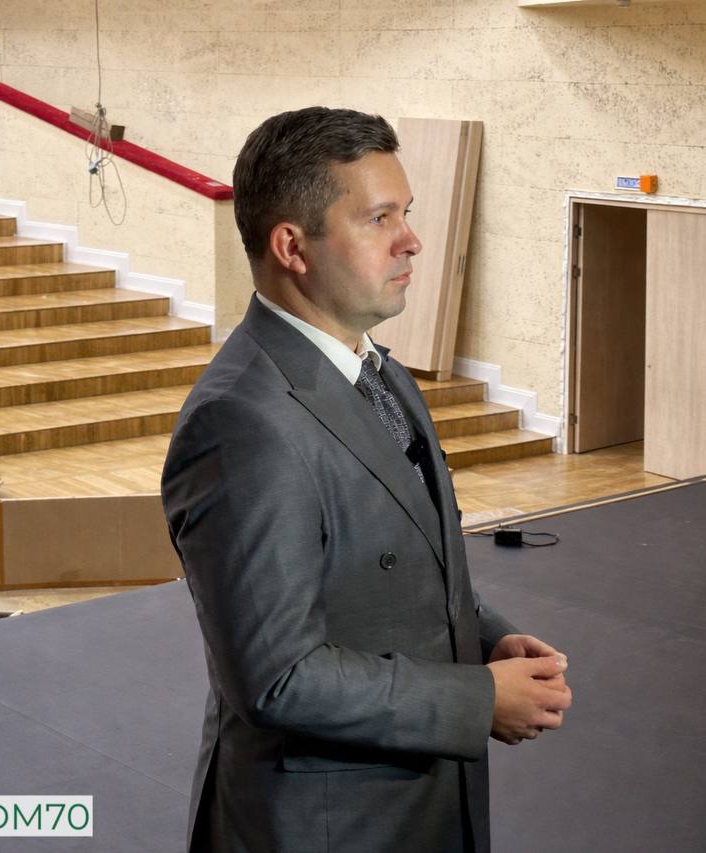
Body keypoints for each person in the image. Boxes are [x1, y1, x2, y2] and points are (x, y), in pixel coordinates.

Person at [161, 106, 571, 853]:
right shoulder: (243, 423)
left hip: (418, 800)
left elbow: (392, 570)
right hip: (328, 824)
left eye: (406, 213)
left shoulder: (381, 374)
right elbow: (277, 677)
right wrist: (476, 700)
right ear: (293, 247)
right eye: (380, 218)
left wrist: (485, 640)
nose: (411, 240)